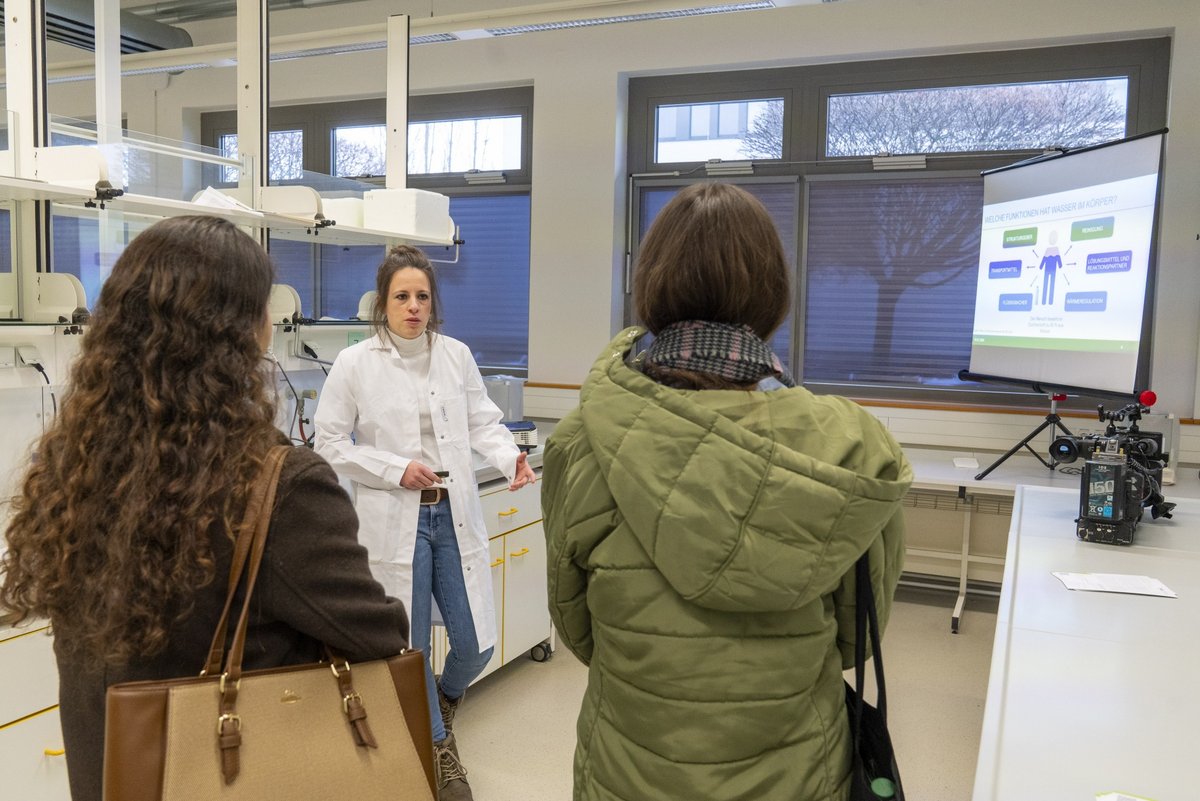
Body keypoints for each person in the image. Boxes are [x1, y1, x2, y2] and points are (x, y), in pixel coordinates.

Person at [0, 215, 414, 801]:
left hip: (113, 771)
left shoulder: (80, 460)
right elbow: (376, 632)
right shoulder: (279, 483)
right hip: (222, 771)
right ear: (243, 332)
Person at [541, 183, 914, 801]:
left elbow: (575, 624)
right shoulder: (850, 446)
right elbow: (857, 634)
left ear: (651, 283)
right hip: (797, 773)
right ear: (773, 290)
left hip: (630, 769)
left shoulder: (585, 439)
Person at [314, 244, 535, 801]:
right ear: (382, 303)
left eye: (422, 297)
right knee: (408, 647)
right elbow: (330, 442)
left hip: (453, 512)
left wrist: (510, 457)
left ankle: (440, 700)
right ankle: (438, 747)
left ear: (433, 303)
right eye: (401, 296)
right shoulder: (355, 363)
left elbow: (483, 422)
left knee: (475, 643)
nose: (413, 306)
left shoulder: (455, 355)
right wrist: (395, 469)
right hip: (396, 518)